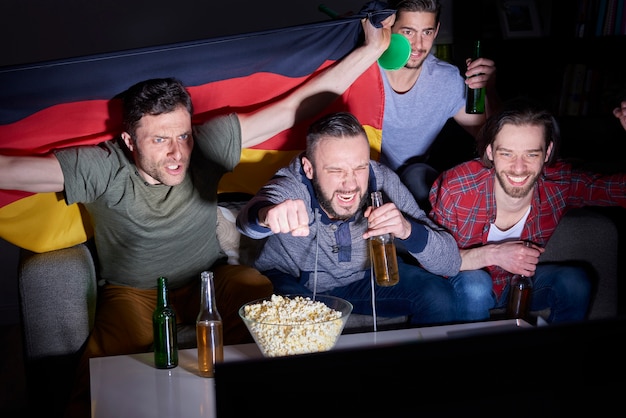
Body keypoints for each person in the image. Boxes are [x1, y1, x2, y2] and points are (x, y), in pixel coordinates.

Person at [0, 15, 393, 418]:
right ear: (129, 141)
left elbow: (294, 107)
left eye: (183, 136)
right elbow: (13, 172)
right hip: (134, 292)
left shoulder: (206, 145)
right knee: (100, 375)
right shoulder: (101, 167)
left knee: (266, 310)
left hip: (212, 277)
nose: (177, 154)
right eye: (159, 140)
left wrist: (371, 51)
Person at [236, 111, 462, 326]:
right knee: (294, 319)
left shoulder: (381, 180)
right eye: (336, 170)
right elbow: (249, 221)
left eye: (359, 167)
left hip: (363, 280)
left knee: (439, 297)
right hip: (293, 281)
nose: (351, 184)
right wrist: (267, 216)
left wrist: (408, 230)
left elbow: (451, 263)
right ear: (309, 168)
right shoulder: (293, 183)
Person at [429, 98, 626, 323]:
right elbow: (433, 258)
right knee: (476, 285)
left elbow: (618, 191)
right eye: (507, 154)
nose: (519, 168)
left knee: (575, 281)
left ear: (547, 152)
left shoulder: (558, 184)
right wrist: (493, 254)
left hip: (519, 285)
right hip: (466, 287)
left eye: (531, 154)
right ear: (490, 151)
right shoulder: (458, 187)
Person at [379, 0, 500, 210]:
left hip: (415, 180)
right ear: (389, 28)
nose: (418, 45)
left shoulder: (446, 80)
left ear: (436, 31)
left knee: (421, 179)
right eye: (408, 32)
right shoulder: (365, 71)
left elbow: (492, 138)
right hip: (364, 175)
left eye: (426, 32)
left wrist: (489, 90)